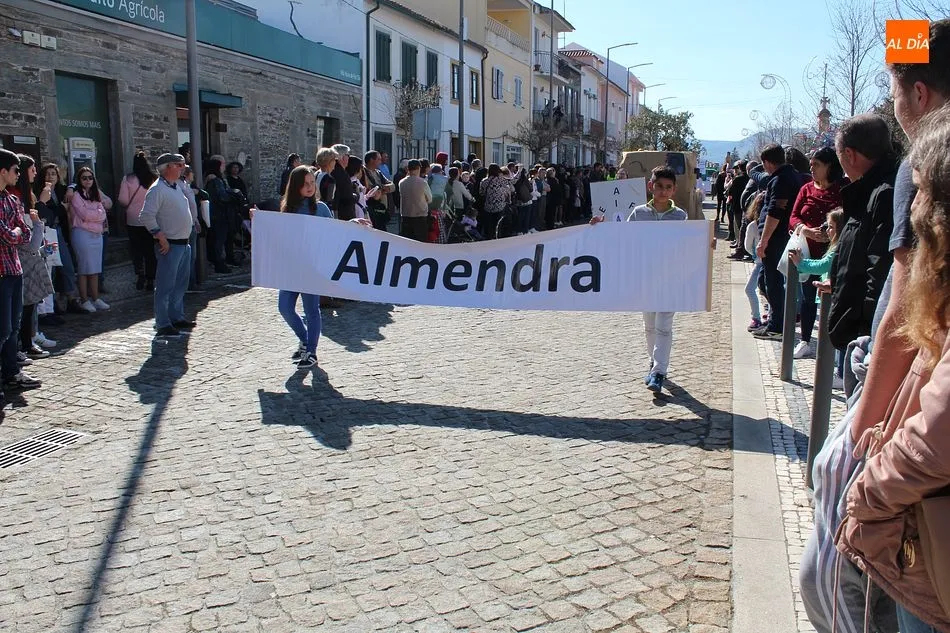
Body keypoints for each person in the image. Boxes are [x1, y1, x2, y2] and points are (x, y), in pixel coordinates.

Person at [800, 21, 950, 633]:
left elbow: (906, 312)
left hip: (917, 436)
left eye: (894, 93)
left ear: (919, 94)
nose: (894, 110)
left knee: (842, 580)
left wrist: (863, 439)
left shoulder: (928, 164)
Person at [835, 104, 950, 633]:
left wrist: (865, 489)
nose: (915, 205)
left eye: (921, 191)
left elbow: (935, 438)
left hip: (929, 524)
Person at [590, 165, 687, 394]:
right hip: (645, 278)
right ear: (650, 186)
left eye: (668, 187)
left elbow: (690, 243)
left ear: (674, 190)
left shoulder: (680, 216)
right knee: (650, 325)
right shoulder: (639, 213)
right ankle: (654, 362)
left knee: (664, 326)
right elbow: (624, 237)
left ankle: (659, 371)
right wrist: (601, 227)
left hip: (670, 279)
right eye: (659, 186)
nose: (663, 191)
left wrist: (707, 242)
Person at [827, 114, 898, 351]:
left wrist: (866, 336)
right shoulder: (868, 190)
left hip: (865, 338)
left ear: (850, 154)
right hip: (856, 327)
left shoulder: (884, 194)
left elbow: (879, 271)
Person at [788, 147, 845, 358]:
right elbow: (793, 217)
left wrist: (831, 234)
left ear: (829, 166)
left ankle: (832, 349)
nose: (811, 168)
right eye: (810, 164)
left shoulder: (842, 188)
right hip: (808, 251)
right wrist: (806, 230)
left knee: (831, 300)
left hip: (834, 253)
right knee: (808, 298)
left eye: (817, 165)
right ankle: (805, 340)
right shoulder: (806, 189)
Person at [277, 165, 333, 369]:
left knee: (311, 310)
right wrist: (257, 219)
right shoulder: (287, 209)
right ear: (295, 186)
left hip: (312, 267)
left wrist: (353, 222)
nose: (310, 187)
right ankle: (305, 341)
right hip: (292, 267)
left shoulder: (321, 208)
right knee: (284, 307)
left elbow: (337, 232)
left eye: (312, 183)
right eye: (305, 184)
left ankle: (311, 351)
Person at [139, 153, 197, 337]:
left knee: (180, 284)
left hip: (183, 243)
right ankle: (163, 322)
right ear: (168, 167)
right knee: (165, 285)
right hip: (170, 244)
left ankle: (176, 316)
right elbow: (146, 215)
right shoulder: (157, 189)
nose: (182, 168)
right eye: (178, 165)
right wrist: (160, 236)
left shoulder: (175, 186)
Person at [751, 144, 805, 341]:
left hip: (776, 239)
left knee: (771, 282)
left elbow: (775, 212)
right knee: (769, 281)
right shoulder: (792, 175)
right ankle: (777, 322)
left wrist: (763, 241)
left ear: (767, 162)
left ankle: (777, 326)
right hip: (782, 237)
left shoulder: (781, 179)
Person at [0, 149, 41, 396]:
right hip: (1, 272)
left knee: (13, 326)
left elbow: (24, 233)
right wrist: (14, 231)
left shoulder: (11, 200)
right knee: (2, 329)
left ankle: (11, 374)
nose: (19, 174)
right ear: (3, 171)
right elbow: (7, 234)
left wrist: (15, 231)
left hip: (14, 268)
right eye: (16, 170)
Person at [10, 155, 54, 361]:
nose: (35, 173)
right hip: (22, 254)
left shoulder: (28, 194)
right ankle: (24, 344)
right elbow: (28, 231)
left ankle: (30, 338)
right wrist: (42, 204)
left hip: (31, 253)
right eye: (32, 169)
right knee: (23, 305)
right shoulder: (14, 196)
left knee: (31, 302)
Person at [68, 166, 111, 312]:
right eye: (84, 178)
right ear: (79, 180)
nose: (87, 180)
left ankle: (95, 298)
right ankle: (84, 299)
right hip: (82, 233)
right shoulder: (76, 195)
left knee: (95, 267)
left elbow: (102, 213)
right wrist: (95, 215)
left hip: (96, 234)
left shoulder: (95, 194)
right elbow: (84, 214)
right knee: (84, 267)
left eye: (90, 178)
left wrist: (93, 215)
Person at [119, 151, 158, 291]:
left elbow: (123, 200)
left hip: (133, 219)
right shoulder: (153, 178)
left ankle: (140, 274)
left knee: (136, 249)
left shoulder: (128, 179)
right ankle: (151, 278)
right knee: (150, 250)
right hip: (150, 219)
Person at [397, 159, 431, 242]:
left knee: (407, 242)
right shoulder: (423, 182)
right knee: (420, 242)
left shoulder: (401, 182)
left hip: (405, 216)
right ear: (419, 168)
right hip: (420, 217)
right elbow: (430, 199)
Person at [363, 151, 395, 231]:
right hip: (370, 207)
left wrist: (383, 188)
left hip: (381, 208)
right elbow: (368, 188)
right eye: (378, 159)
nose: (380, 162)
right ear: (371, 160)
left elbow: (392, 185)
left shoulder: (378, 172)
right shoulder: (363, 172)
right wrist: (379, 190)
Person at [478, 163, 512, 240]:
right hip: (500, 206)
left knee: (489, 226)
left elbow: (481, 193)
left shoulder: (484, 181)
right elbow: (510, 186)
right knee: (498, 225)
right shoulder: (501, 180)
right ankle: (497, 238)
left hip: (488, 206)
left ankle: (489, 238)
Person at [331, 144, 358, 221]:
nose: (349, 158)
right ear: (342, 157)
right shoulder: (341, 174)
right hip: (343, 215)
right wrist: (357, 194)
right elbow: (348, 198)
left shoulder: (333, 170)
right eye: (348, 155)